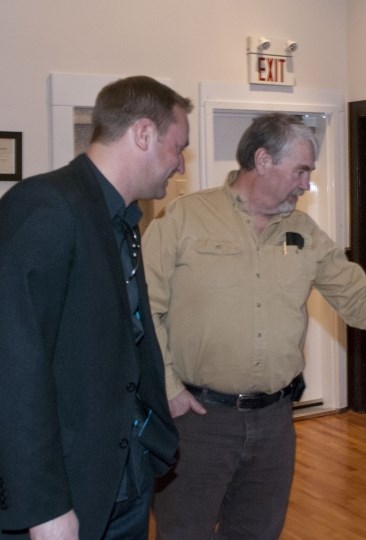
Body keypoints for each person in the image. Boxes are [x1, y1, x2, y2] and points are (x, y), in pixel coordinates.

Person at [143, 112, 366, 539]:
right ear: (263, 160)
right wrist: (169, 387)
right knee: (183, 532)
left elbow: (358, 295)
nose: (306, 184)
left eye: (309, 173)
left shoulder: (304, 231)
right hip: (199, 418)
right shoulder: (184, 219)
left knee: (257, 531)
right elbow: (142, 310)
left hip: (274, 422)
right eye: (301, 171)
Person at [0, 76, 192, 540]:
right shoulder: (45, 206)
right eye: (177, 146)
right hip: (62, 495)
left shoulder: (124, 218)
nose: (180, 164)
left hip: (122, 479)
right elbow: (14, 366)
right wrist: (44, 506)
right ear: (143, 134)